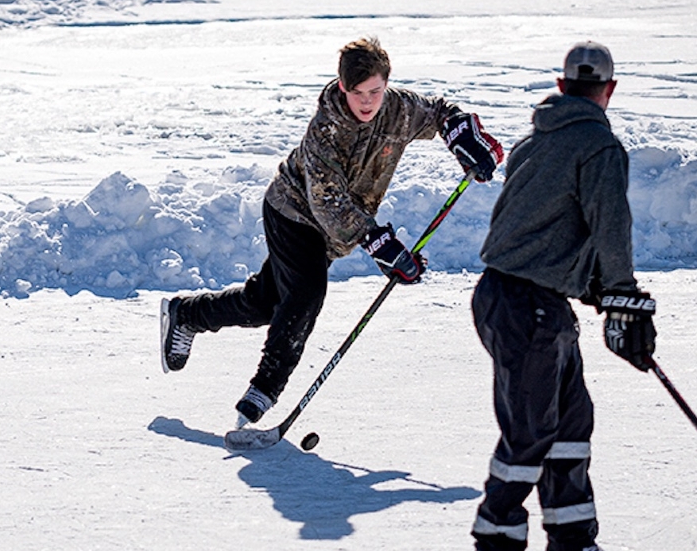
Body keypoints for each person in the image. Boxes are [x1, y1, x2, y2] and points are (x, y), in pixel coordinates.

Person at [160, 37, 504, 427]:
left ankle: (187, 314)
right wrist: (377, 242)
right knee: (305, 293)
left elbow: (439, 111)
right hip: (293, 212)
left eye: (375, 90)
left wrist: (460, 130)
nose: (367, 102)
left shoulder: (399, 110)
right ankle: (264, 390)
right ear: (342, 86)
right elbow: (327, 201)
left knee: (266, 304)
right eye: (358, 93)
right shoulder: (327, 129)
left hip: (332, 230)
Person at [468, 41, 656, 551]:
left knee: (571, 421)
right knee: (530, 431)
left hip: (518, 298)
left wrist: (592, 287)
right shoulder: (598, 143)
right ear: (610, 90)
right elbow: (609, 224)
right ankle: (496, 548)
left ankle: (571, 540)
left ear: (561, 84)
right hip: (529, 306)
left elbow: (540, 227)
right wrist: (621, 294)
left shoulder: (533, 141)